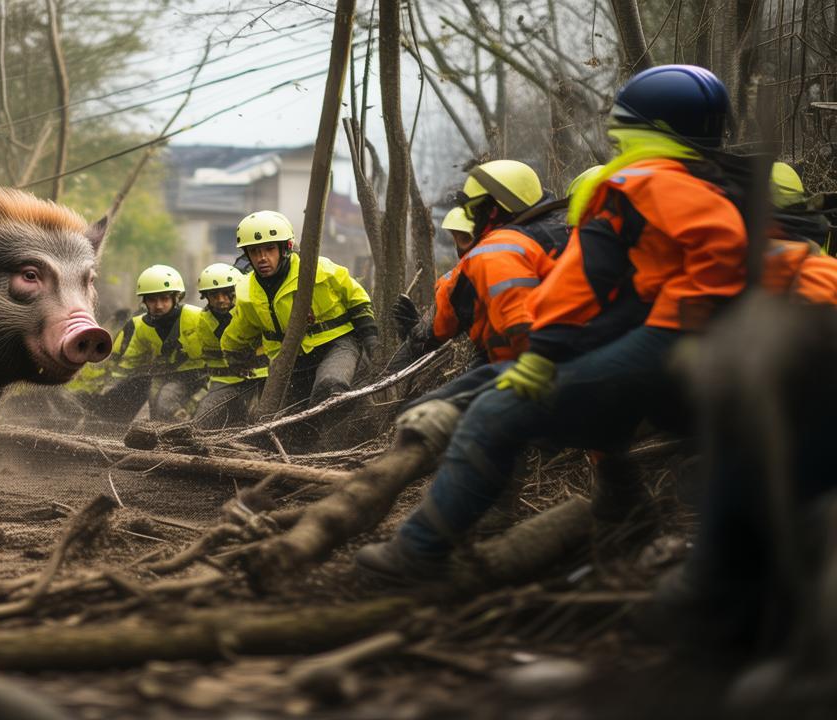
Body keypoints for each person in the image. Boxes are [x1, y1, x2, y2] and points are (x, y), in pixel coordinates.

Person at [354, 64, 748, 583]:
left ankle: (417, 555)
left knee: (497, 412)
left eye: (622, 133)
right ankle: (628, 517)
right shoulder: (725, 188)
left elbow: (583, 284)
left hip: (671, 343)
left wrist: (544, 354)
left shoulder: (632, 187)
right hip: (726, 354)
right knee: (595, 419)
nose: (616, 145)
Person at [394, 161, 558, 370]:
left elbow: (443, 315)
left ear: (493, 211)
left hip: (526, 367)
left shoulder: (494, 252)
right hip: (577, 353)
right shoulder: (570, 231)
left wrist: (417, 336)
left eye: (474, 212)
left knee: (440, 403)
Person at [220, 210, 379, 421]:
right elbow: (239, 331)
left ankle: (352, 424)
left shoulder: (319, 269)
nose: (262, 258)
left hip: (337, 344)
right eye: (254, 251)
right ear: (246, 255)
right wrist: (233, 356)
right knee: (286, 422)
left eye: (269, 249)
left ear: (285, 248)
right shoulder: (246, 290)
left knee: (330, 385)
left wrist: (370, 339)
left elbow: (357, 299)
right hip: (290, 359)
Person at [94, 264, 206, 424]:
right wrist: (110, 385)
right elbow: (130, 362)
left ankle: (185, 426)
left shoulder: (196, 317)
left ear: (177, 298)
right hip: (164, 374)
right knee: (155, 399)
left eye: (165, 299)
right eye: (152, 300)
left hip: (201, 375)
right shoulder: (140, 325)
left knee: (166, 400)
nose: (159, 305)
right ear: (144, 301)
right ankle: (163, 435)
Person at [191, 262, 267, 429]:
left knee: (263, 417)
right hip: (226, 380)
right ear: (206, 297)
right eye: (214, 295)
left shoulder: (255, 308)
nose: (221, 300)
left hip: (264, 377)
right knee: (201, 421)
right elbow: (211, 359)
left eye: (227, 294)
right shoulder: (204, 321)